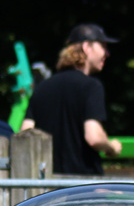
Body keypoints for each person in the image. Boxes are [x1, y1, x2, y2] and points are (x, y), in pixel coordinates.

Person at [21, 24, 123, 175]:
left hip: (49, 187)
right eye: (103, 47)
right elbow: (94, 137)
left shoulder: (42, 88)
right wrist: (112, 147)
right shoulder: (91, 86)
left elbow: (25, 133)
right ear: (87, 47)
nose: (107, 53)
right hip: (82, 187)